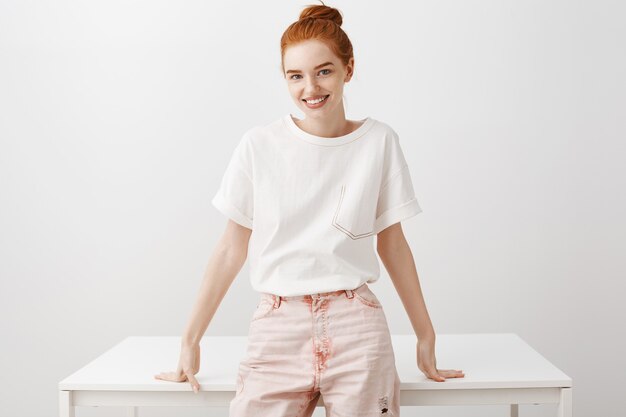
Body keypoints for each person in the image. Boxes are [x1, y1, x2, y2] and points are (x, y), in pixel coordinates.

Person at [155, 2, 465, 416]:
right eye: (295, 76)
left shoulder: (379, 142)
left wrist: (425, 335)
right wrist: (190, 339)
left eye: (324, 71)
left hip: (358, 325)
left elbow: (393, 246)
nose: (310, 88)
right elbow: (232, 248)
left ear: (348, 69)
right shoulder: (259, 146)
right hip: (278, 326)